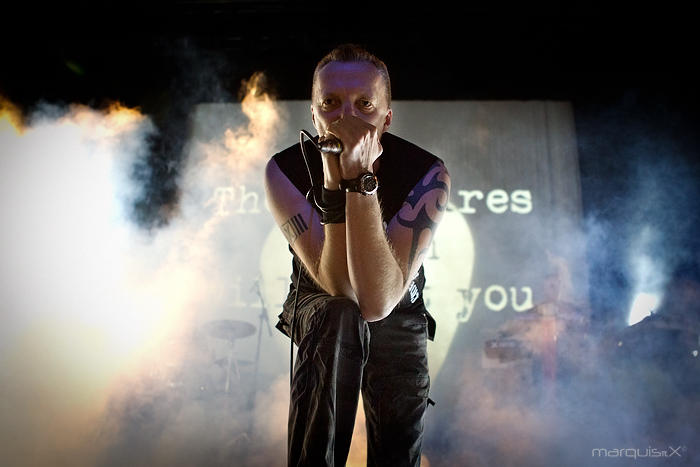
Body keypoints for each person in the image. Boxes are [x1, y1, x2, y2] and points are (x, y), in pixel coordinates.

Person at [264, 43, 450, 466]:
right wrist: (334, 182)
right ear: (313, 115)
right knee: (338, 315)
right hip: (318, 295)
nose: (346, 118)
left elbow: (378, 301)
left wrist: (361, 181)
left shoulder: (427, 173)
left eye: (364, 105)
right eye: (330, 103)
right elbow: (340, 289)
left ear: (386, 117)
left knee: (397, 442)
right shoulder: (284, 170)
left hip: (397, 302)